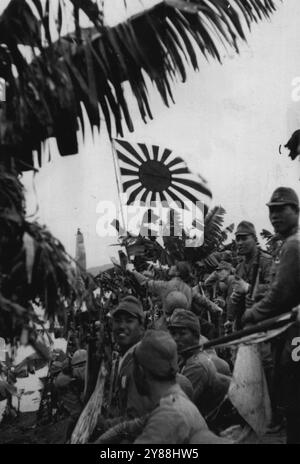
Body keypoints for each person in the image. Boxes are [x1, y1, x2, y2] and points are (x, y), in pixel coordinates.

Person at [242, 187, 300, 444]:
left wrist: (252, 314)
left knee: (293, 393)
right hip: (287, 330)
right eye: (271, 211)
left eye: (281, 210)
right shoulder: (287, 246)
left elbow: (281, 294)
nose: (274, 216)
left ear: (297, 211)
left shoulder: (293, 247)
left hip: (294, 334)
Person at [131, 330, 232, 444]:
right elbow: (135, 424)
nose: (177, 338)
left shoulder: (166, 418)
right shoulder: (177, 398)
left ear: (140, 371)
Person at [168, 309, 232, 432]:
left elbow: (179, 410)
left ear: (196, 336)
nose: (176, 338)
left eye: (182, 334)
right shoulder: (186, 357)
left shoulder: (196, 365)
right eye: (173, 333)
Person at [226, 221, 273, 331]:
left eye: (244, 238)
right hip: (244, 323)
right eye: (238, 239)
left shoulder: (266, 261)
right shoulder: (239, 267)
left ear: (255, 239)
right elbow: (236, 295)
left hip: (263, 324)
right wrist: (230, 318)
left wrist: (248, 288)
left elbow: (274, 290)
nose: (240, 242)